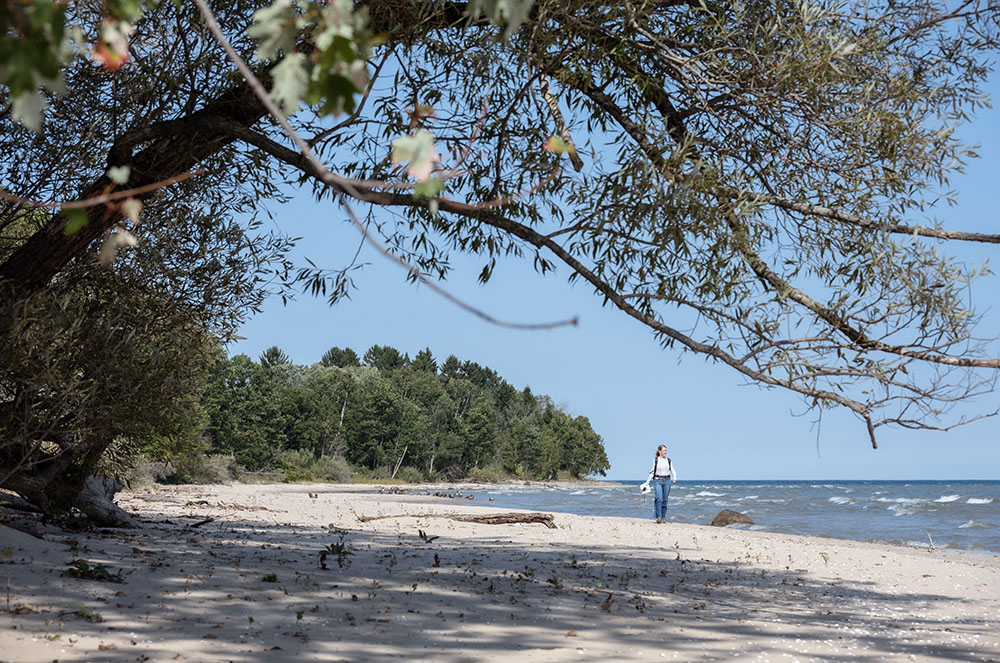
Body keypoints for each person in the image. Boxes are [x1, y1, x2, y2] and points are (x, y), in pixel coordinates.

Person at [641, 445, 677, 523]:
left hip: (667, 480)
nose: (665, 452)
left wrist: (674, 477)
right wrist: (647, 482)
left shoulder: (669, 460)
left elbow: (673, 470)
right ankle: (659, 517)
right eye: (664, 450)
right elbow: (652, 471)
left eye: (666, 450)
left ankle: (663, 517)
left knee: (665, 500)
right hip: (658, 480)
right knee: (659, 498)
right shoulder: (656, 460)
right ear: (659, 451)